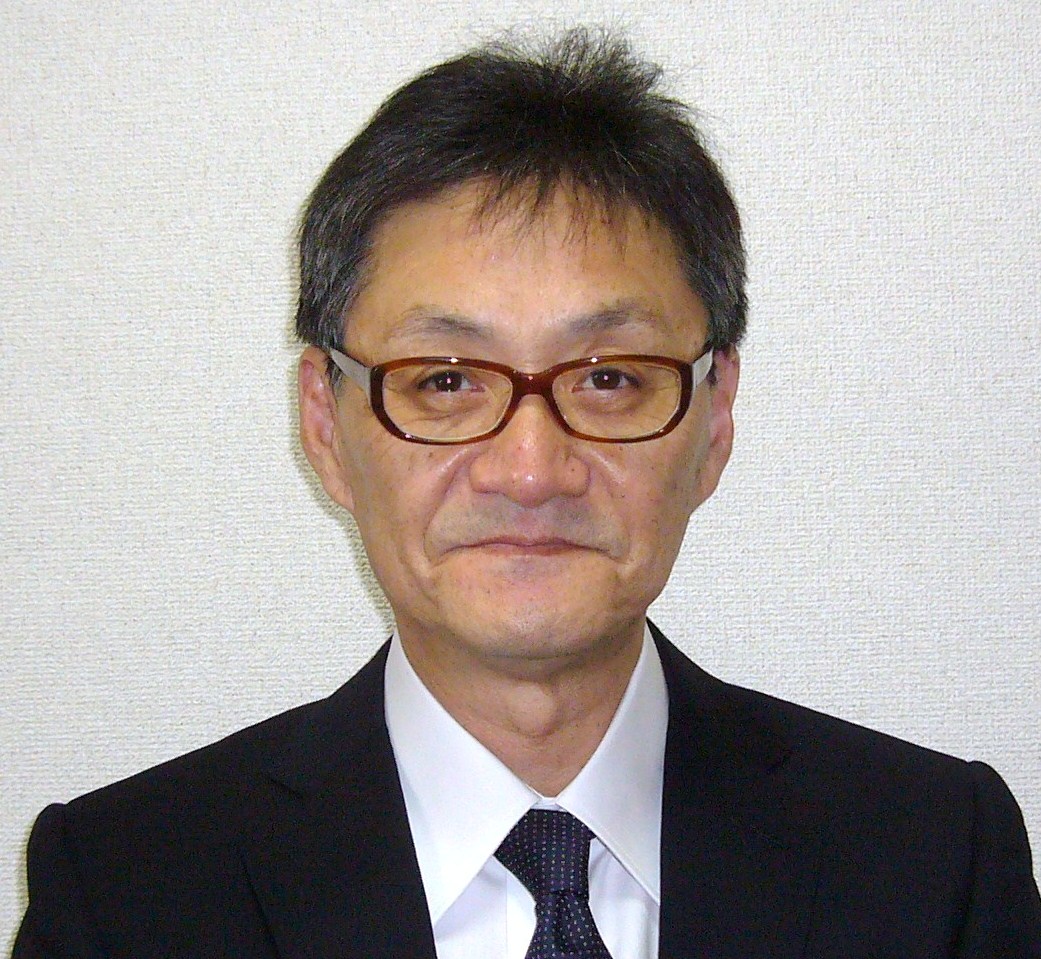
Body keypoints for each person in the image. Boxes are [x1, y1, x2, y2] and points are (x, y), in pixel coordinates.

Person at [14, 29, 1041, 959]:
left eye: (611, 377)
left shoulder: (934, 861)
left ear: (715, 417)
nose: (531, 470)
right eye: (445, 381)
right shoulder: (123, 894)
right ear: (325, 425)